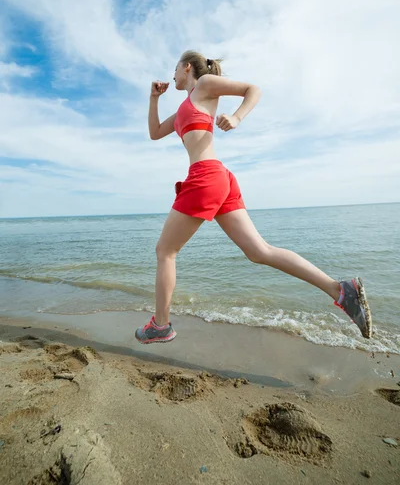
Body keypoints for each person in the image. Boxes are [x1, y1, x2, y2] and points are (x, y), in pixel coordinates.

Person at [135, 51, 372, 344]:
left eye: (175, 69)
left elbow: (253, 90)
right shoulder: (185, 105)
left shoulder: (205, 84)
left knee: (165, 251)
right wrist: (153, 98)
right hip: (218, 179)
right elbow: (155, 132)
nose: (171, 76)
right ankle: (340, 290)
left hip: (205, 176)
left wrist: (236, 117)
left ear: (186, 68)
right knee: (259, 251)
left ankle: (160, 325)